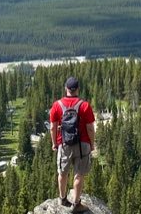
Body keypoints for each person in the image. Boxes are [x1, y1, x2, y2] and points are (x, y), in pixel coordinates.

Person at [50, 76, 95, 213]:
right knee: (79, 174)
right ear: (78, 89)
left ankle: (63, 198)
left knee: (62, 172)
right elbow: (90, 128)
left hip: (64, 144)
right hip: (82, 145)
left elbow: (53, 127)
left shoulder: (57, 105)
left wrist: (54, 143)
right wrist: (92, 144)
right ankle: (76, 204)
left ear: (66, 89)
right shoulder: (85, 106)